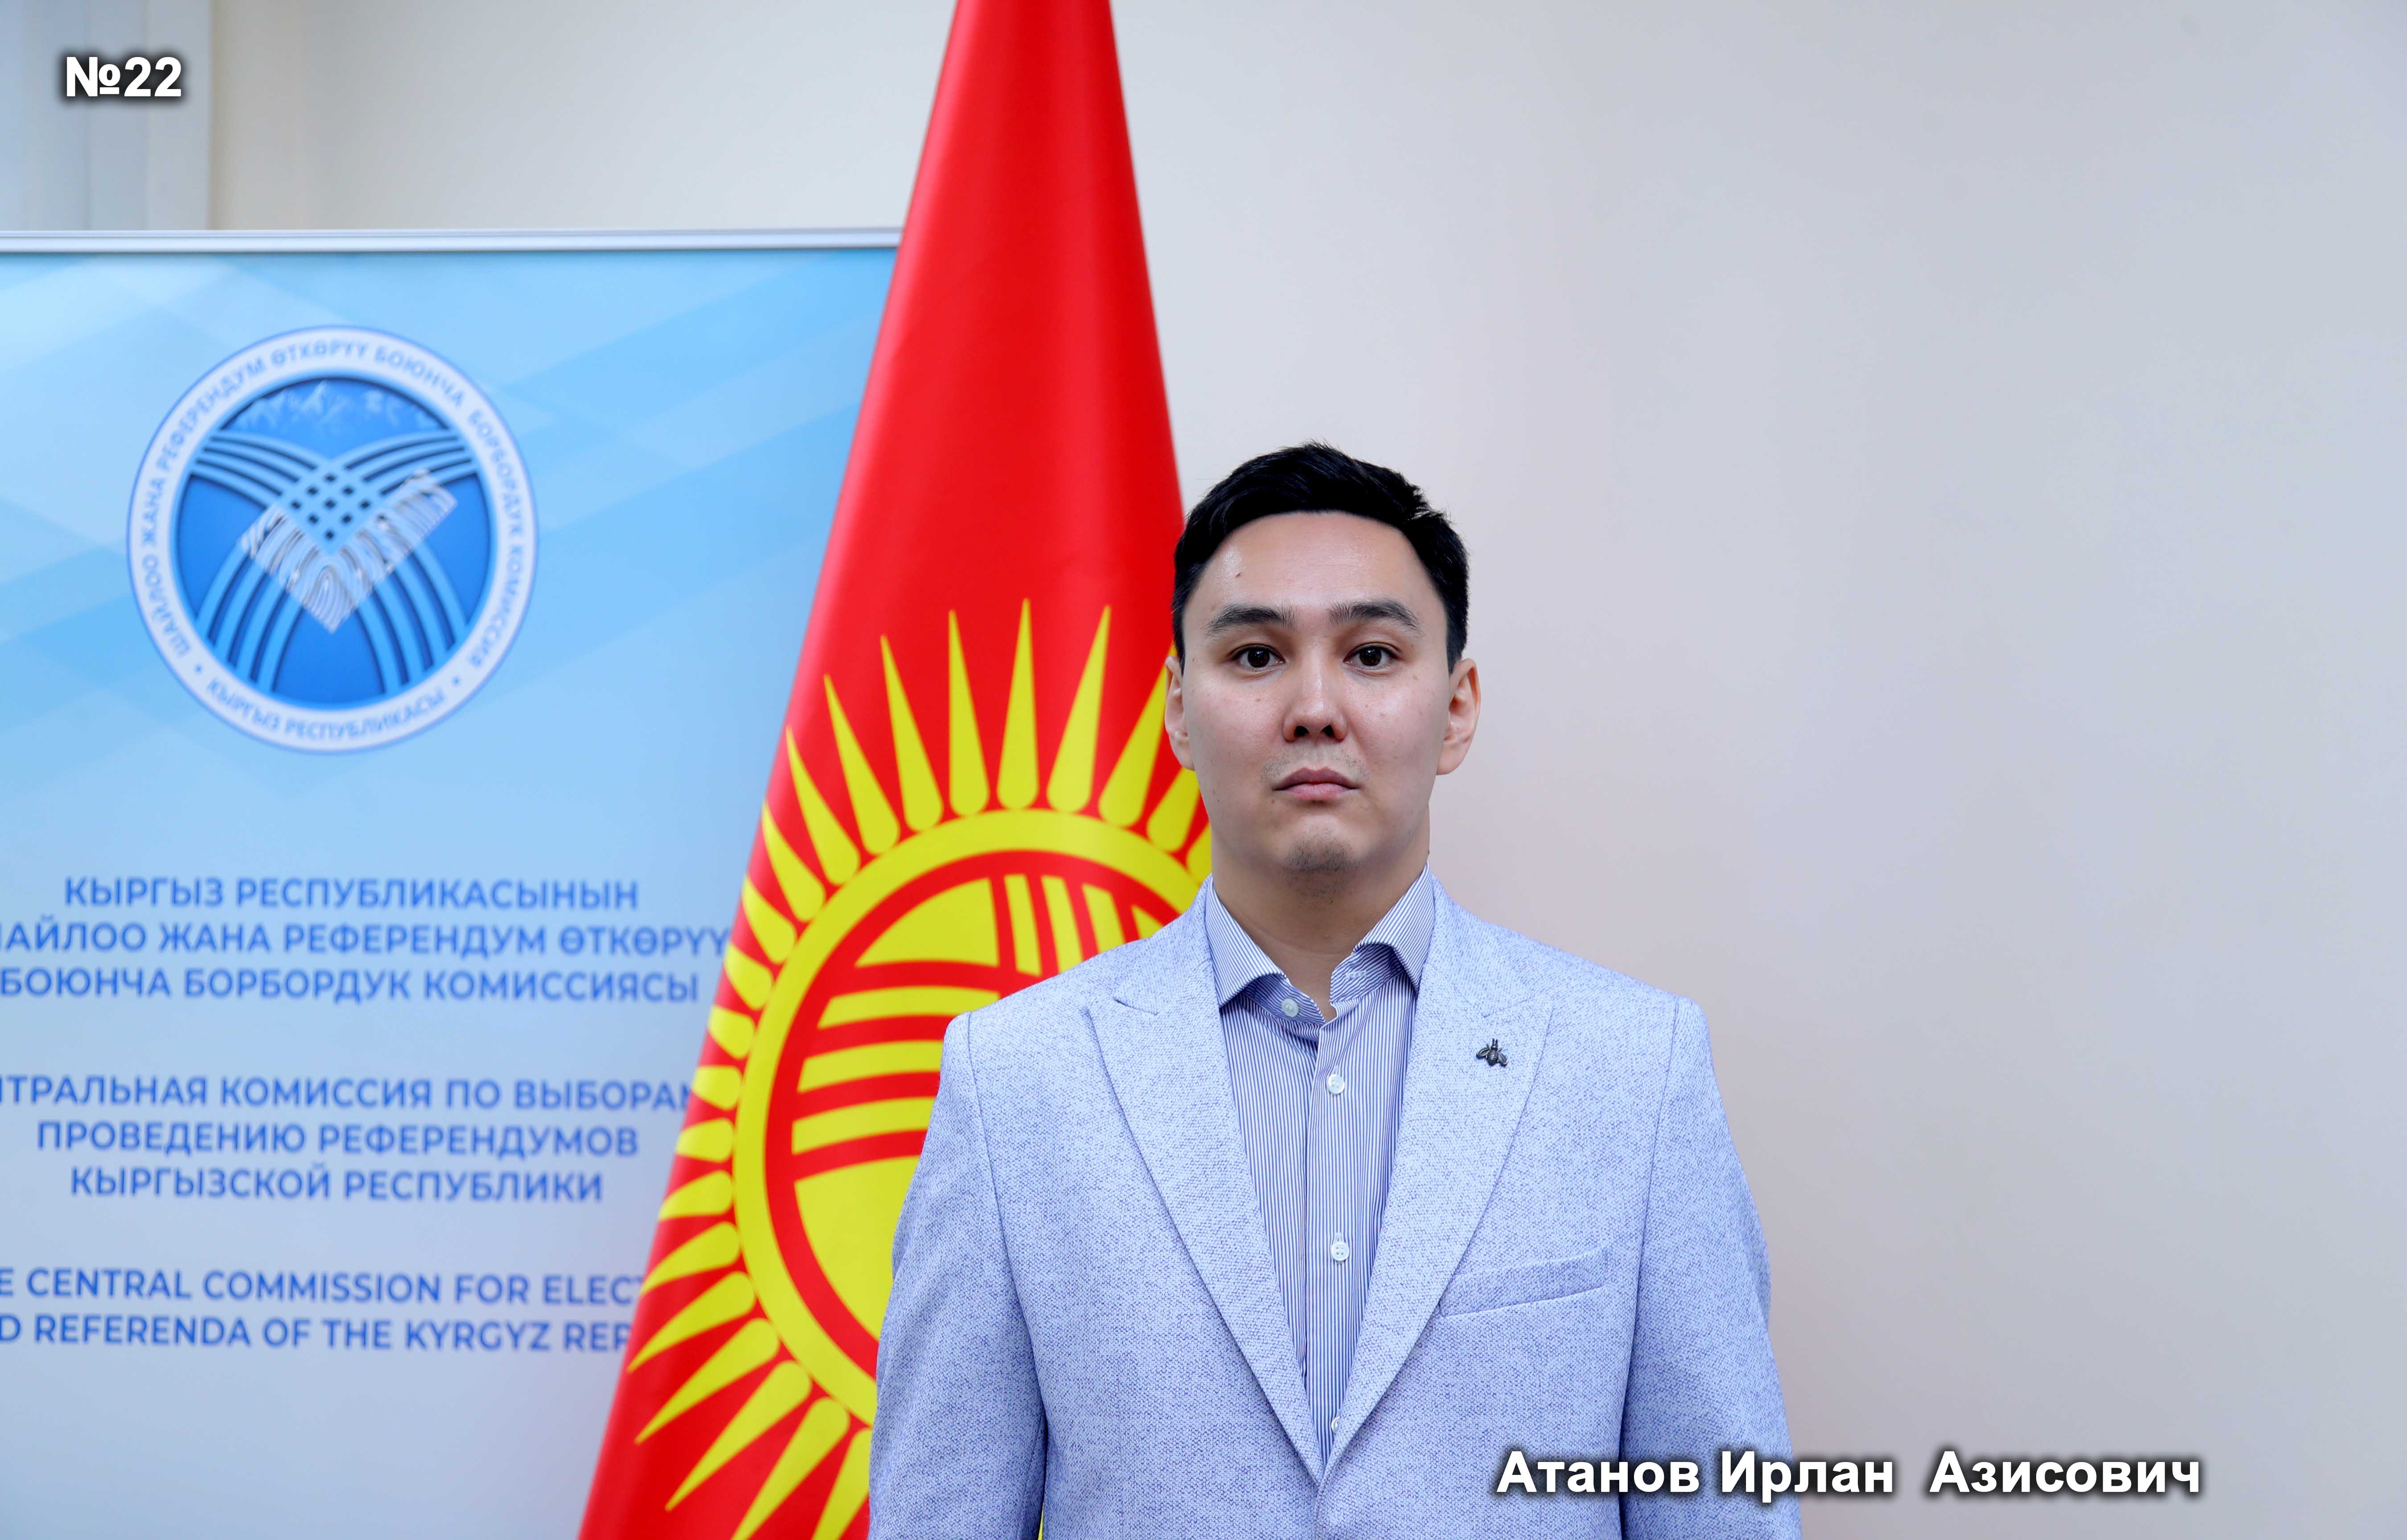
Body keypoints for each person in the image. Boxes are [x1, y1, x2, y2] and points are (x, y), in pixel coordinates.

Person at [869, 444, 1798, 1537]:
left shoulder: (1635, 1069)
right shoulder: (1016, 1080)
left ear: (1457, 707)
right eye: (1257, 656)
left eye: (1371, 654)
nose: (1314, 707)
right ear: (1178, 710)